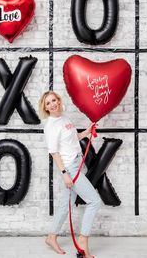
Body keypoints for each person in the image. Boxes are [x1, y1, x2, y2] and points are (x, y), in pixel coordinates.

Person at [39, 91, 101, 258]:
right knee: (94, 201)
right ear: (45, 108)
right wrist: (65, 174)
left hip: (76, 165)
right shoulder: (51, 126)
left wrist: (87, 131)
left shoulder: (64, 119)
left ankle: (51, 236)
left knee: (65, 204)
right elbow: (54, 153)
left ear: (58, 101)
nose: (52, 104)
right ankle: (83, 240)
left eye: (54, 100)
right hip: (69, 168)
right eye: (48, 103)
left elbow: (74, 139)